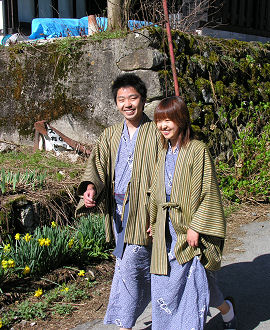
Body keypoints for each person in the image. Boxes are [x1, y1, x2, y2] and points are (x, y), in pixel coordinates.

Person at [76, 73, 161, 330]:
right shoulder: (110, 135)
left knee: (130, 265)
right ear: (115, 103)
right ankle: (158, 310)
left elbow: (167, 175)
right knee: (130, 264)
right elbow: (98, 167)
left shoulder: (157, 133)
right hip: (118, 211)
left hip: (146, 211)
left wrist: (158, 217)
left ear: (143, 100)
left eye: (132, 98)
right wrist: (91, 188)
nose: (127, 104)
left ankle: (124, 323)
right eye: (121, 99)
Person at [148, 96, 237, 330]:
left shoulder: (197, 150)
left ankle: (222, 313)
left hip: (189, 228)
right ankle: (224, 311)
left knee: (192, 285)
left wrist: (197, 226)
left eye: (169, 120)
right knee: (166, 284)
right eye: (160, 121)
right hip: (166, 229)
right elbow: (156, 190)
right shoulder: (162, 151)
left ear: (181, 120)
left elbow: (208, 190)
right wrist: (153, 221)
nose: (163, 126)